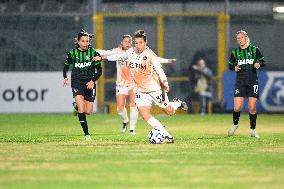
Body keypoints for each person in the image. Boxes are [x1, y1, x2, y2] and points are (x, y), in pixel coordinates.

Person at [103, 30, 188, 143]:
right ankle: (167, 136)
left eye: (141, 42)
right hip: (141, 91)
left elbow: (160, 70)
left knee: (169, 111)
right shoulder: (130, 53)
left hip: (155, 89)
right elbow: (119, 56)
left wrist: (165, 83)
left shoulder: (150, 55)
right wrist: (104, 57)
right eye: (136, 43)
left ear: (145, 43)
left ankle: (178, 103)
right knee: (145, 115)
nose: (138, 45)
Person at [63, 29, 102, 140]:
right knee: (81, 107)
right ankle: (87, 134)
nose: (85, 43)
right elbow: (65, 67)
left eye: (87, 41)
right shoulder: (72, 53)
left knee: (88, 111)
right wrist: (65, 77)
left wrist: (92, 81)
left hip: (89, 82)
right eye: (83, 41)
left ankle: (75, 106)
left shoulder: (94, 53)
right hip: (77, 82)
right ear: (78, 42)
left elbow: (99, 71)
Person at [227, 30, 265, 138]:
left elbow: (262, 61)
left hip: (253, 80)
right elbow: (230, 65)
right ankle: (235, 125)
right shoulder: (235, 52)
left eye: (241, 37)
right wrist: (234, 67)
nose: (239, 40)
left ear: (246, 37)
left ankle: (253, 130)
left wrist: (258, 64)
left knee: (252, 107)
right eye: (238, 38)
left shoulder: (254, 50)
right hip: (240, 80)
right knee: (237, 107)